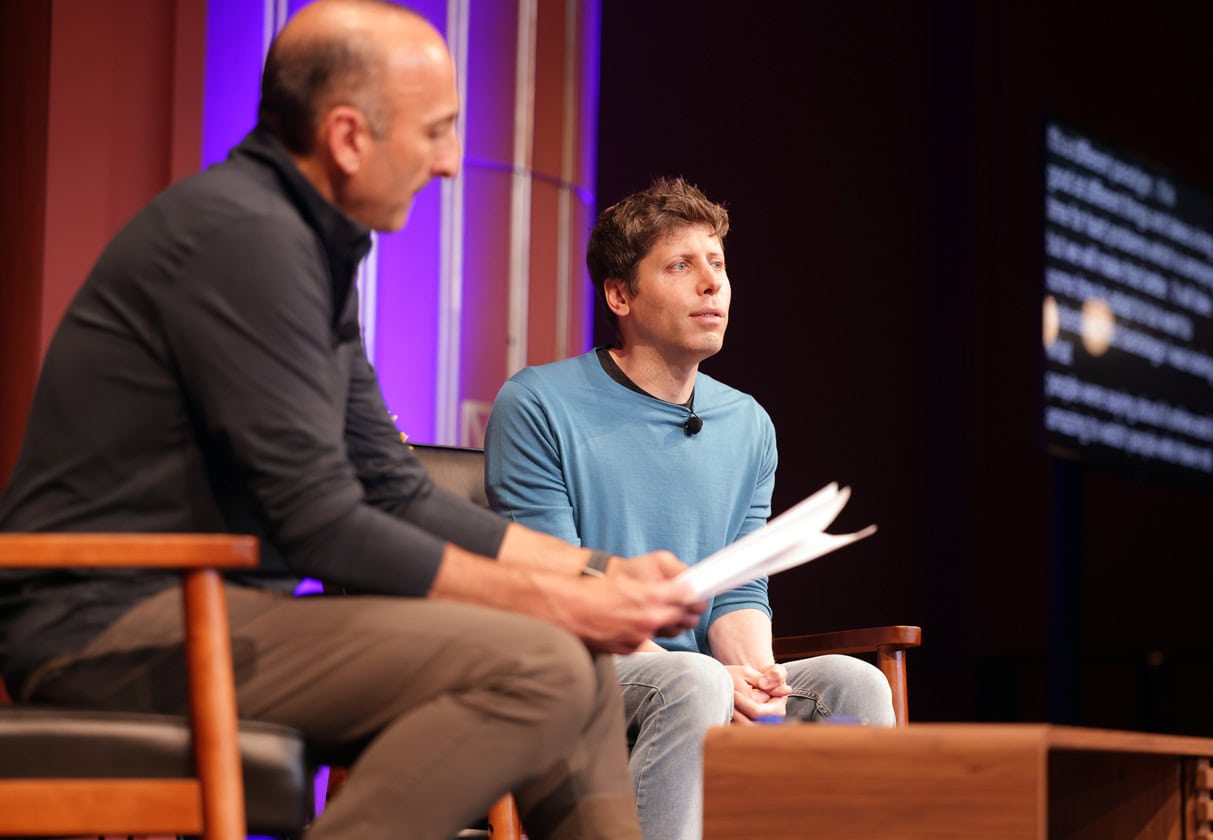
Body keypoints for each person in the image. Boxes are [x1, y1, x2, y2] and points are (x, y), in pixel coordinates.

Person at [0, 3, 704, 839]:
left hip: (203, 610)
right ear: (346, 137)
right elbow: (324, 521)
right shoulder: (244, 240)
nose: (449, 163)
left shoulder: (304, 249)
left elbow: (393, 486)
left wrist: (592, 576)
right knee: (543, 664)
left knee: (573, 658)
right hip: (107, 626)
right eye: (438, 131)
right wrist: (555, 602)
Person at [484, 177, 896, 840]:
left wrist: (753, 676)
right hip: (581, 664)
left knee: (854, 687)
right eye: (682, 265)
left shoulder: (748, 423)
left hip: (696, 672)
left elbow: (740, 590)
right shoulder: (538, 404)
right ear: (621, 295)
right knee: (693, 682)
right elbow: (558, 583)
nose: (713, 284)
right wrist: (709, 674)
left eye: (719, 265)